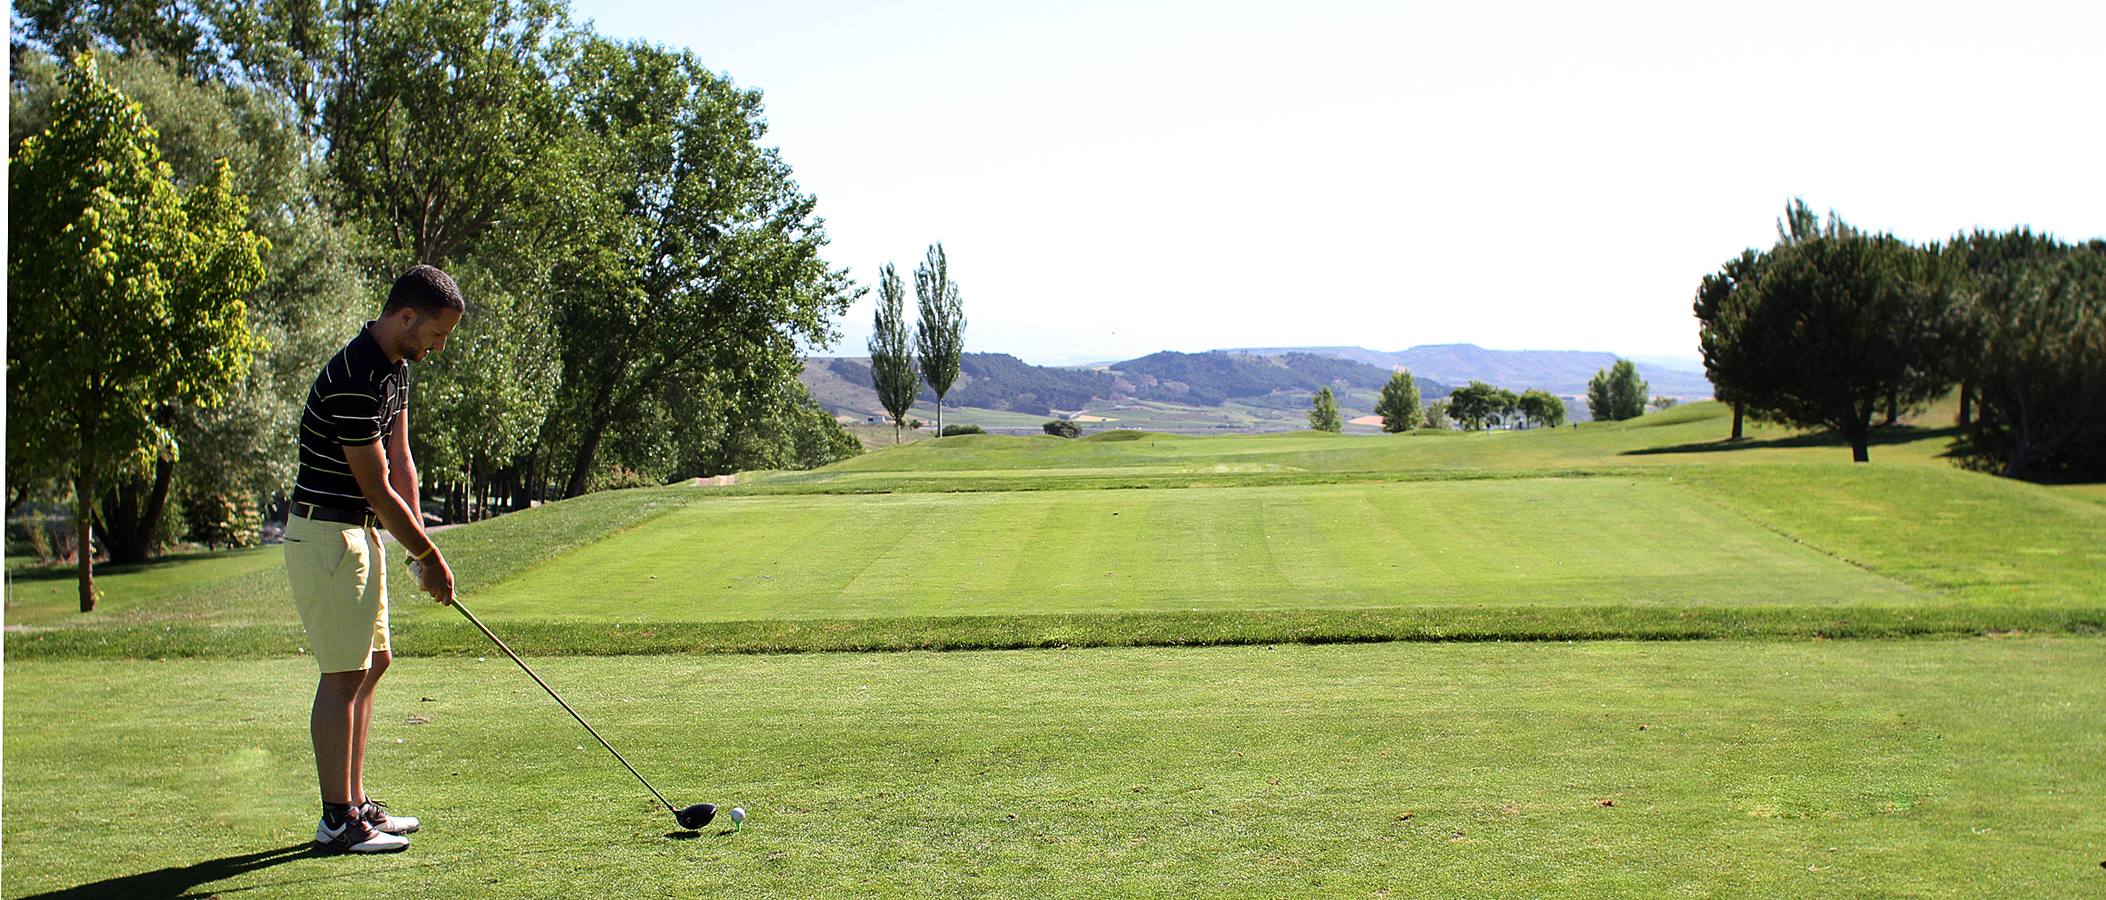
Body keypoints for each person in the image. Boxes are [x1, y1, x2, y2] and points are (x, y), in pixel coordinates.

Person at [284, 265, 462, 853]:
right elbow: (374, 485)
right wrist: (428, 554)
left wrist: (413, 553)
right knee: (343, 675)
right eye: (435, 335)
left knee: (374, 662)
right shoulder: (355, 375)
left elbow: (401, 461)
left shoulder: (395, 371)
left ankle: (358, 805)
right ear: (406, 317)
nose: (437, 349)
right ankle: (337, 820)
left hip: (361, 536)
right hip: (327, 535)